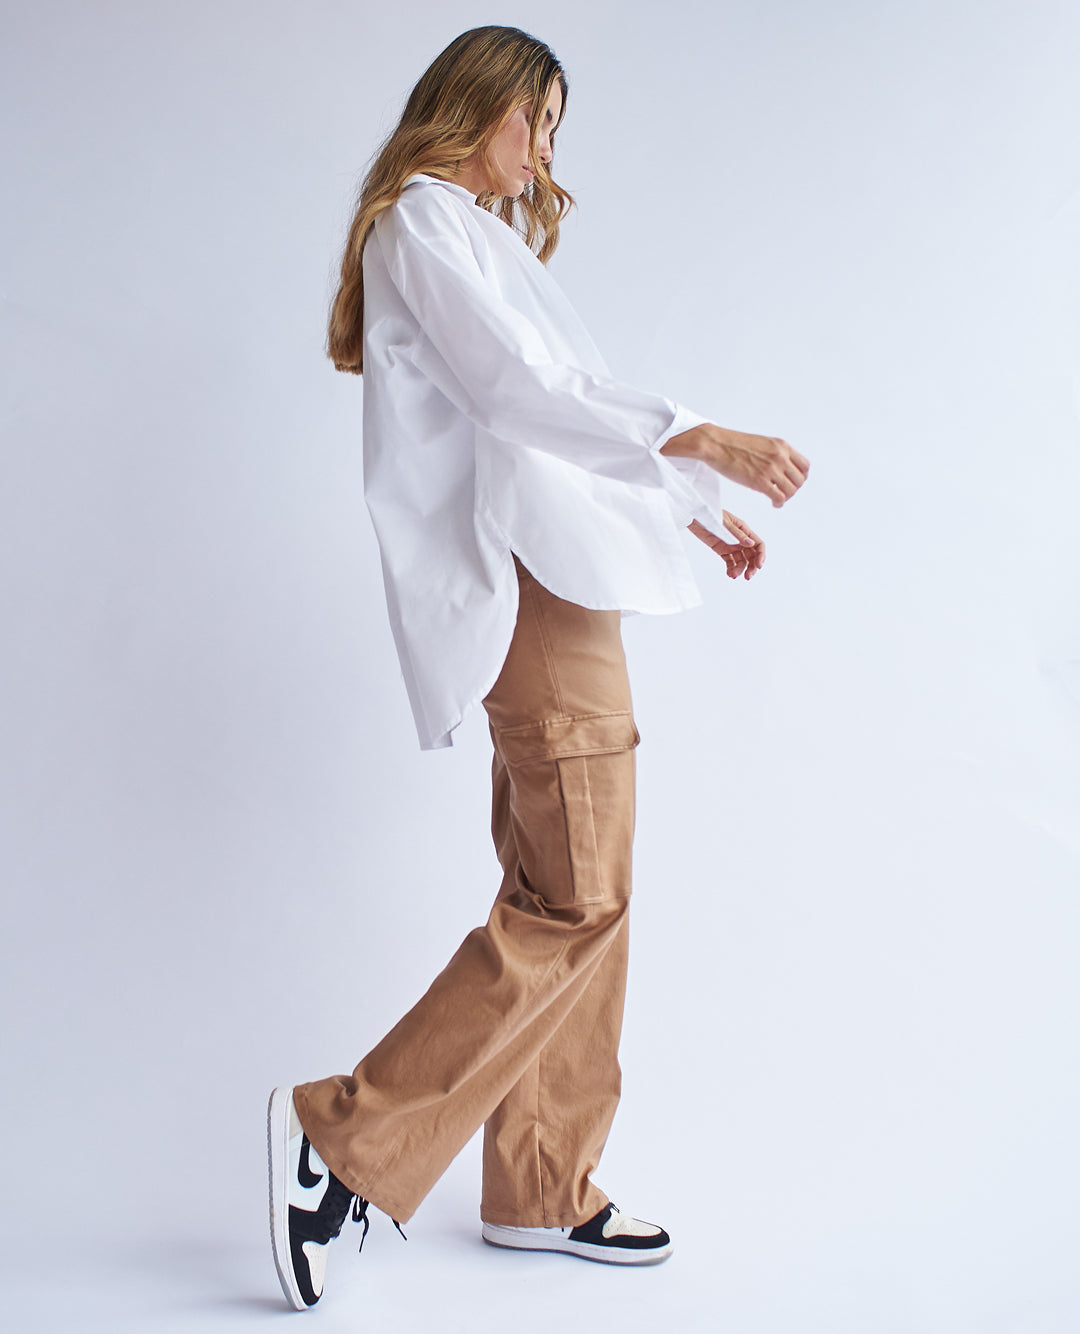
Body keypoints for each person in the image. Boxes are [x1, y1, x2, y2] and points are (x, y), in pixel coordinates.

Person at [267, 24, 809, 1311]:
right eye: (536, 117)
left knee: (570, 888)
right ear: (478, 104)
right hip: (533, 592)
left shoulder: (470, 234)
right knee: (578, 897)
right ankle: (341, 1134)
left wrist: (689, 503)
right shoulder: (422, 223)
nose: (546, 148)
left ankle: (542, 1181)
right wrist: (707, 437)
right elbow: (519, 393)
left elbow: (558, 401)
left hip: (558, 578)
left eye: (558, 126)